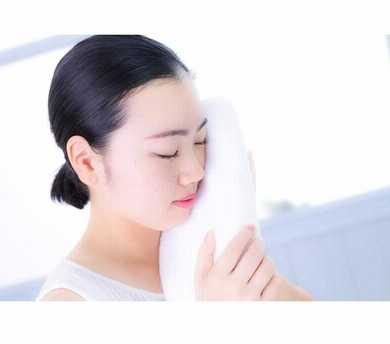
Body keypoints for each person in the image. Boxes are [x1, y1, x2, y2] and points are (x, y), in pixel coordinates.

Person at [38, 35, 313, 301]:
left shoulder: (201, 236)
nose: (196, 171)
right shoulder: (69, 301)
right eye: (167, 152)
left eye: (200, 141)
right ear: (86, 161)